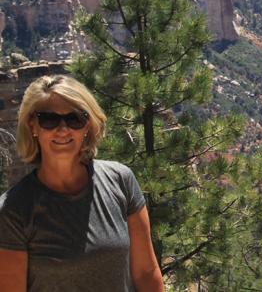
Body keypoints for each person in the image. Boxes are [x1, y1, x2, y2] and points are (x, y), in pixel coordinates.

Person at [0, 74, 165, 292]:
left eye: (74, 119)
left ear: (87, 125)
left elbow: (146, 273)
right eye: (49, 119)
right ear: (33, 126)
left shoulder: (120, 181)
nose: (63, 129)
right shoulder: (14, 210)